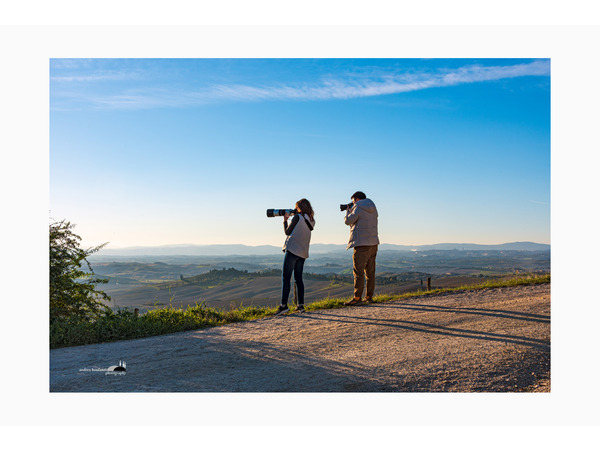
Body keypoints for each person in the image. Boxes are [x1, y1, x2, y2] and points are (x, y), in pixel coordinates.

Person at [274, 198, 316, 315]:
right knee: (298, 279)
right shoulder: (311, 220)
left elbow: (287, 232)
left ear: (299, 207)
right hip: (302, 253)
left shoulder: (298, 218)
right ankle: (300, 305)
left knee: (286, 278)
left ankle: (283, 306)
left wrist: (285, 220)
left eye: (296, 207)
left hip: (292, 250)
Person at [343, 191, 379, 305]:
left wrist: (348, 211)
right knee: (370, 272)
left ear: (357, 199)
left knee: (358, 272)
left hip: (362, 244)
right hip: (373, 243)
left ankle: (357, 298)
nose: (352, 203)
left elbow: (348, 221)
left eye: (353, 200)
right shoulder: (373, 208)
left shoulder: (358, 208)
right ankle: (369, 297)